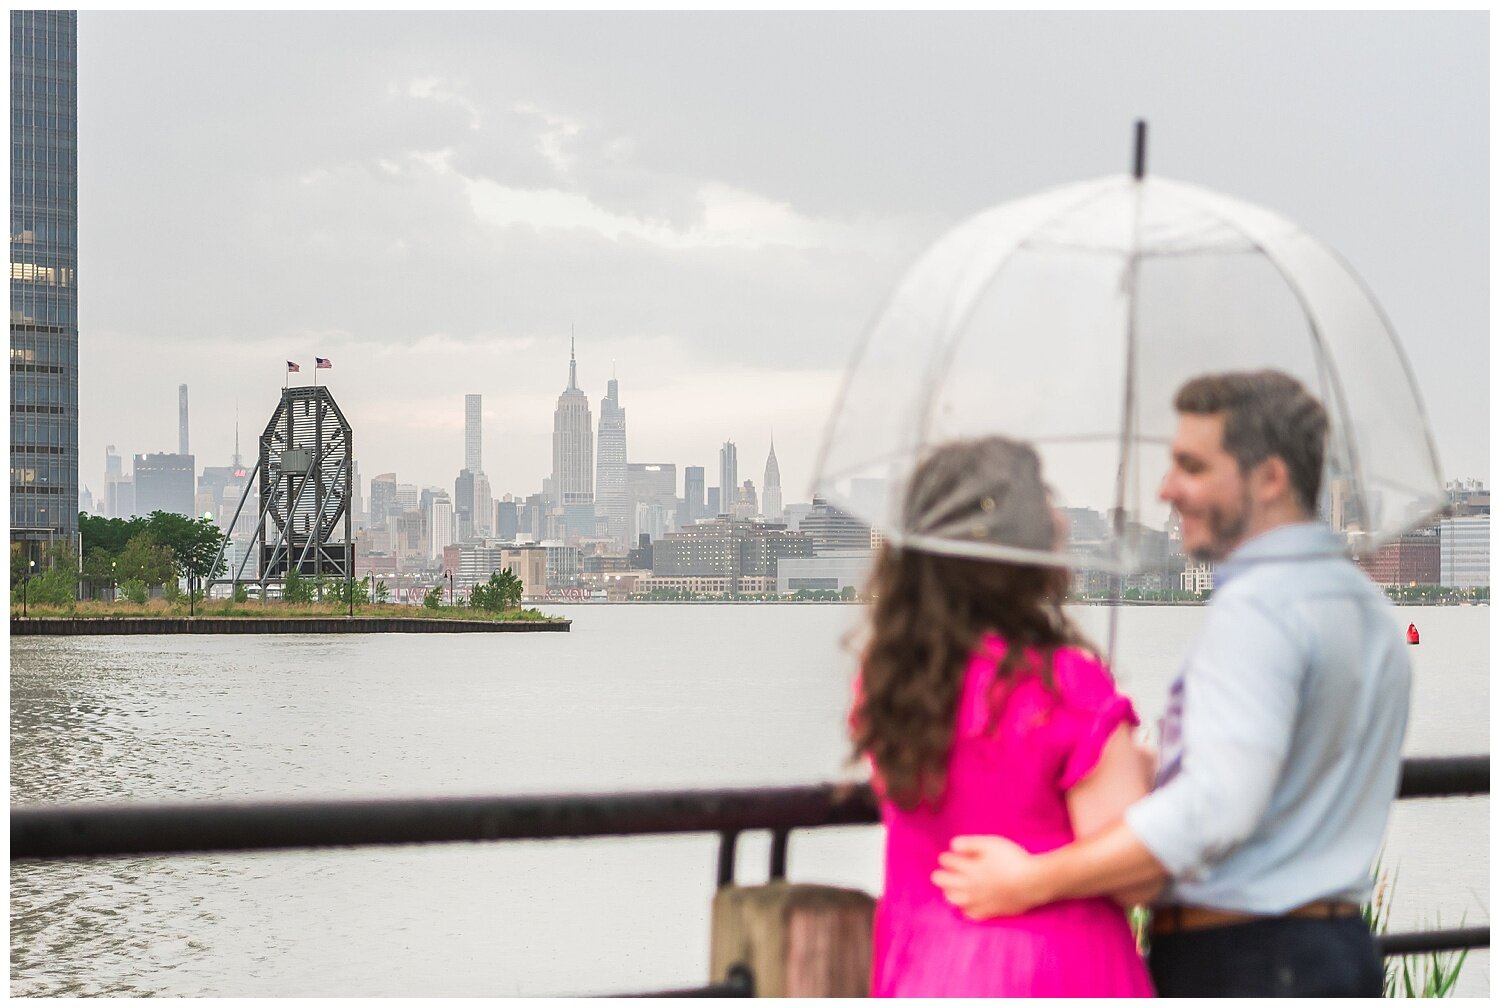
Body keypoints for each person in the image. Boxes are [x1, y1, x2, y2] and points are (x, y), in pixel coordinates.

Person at [932, 370, 1411, 997]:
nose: (1166, 488)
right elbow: (1286, 770)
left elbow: (1216, 808)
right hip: (1338, 953)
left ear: (1269, 478)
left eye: (1192, 466)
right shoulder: (1365, 606)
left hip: (1244, 960)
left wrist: (1030, 880)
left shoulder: (1257, 612)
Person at [850, 435, 1156, 997]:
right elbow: (1138, 874)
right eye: (1047, 501)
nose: (1061, 519)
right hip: (1056, 971)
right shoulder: (1065, 684)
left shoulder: (888, 683)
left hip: (924, 968)